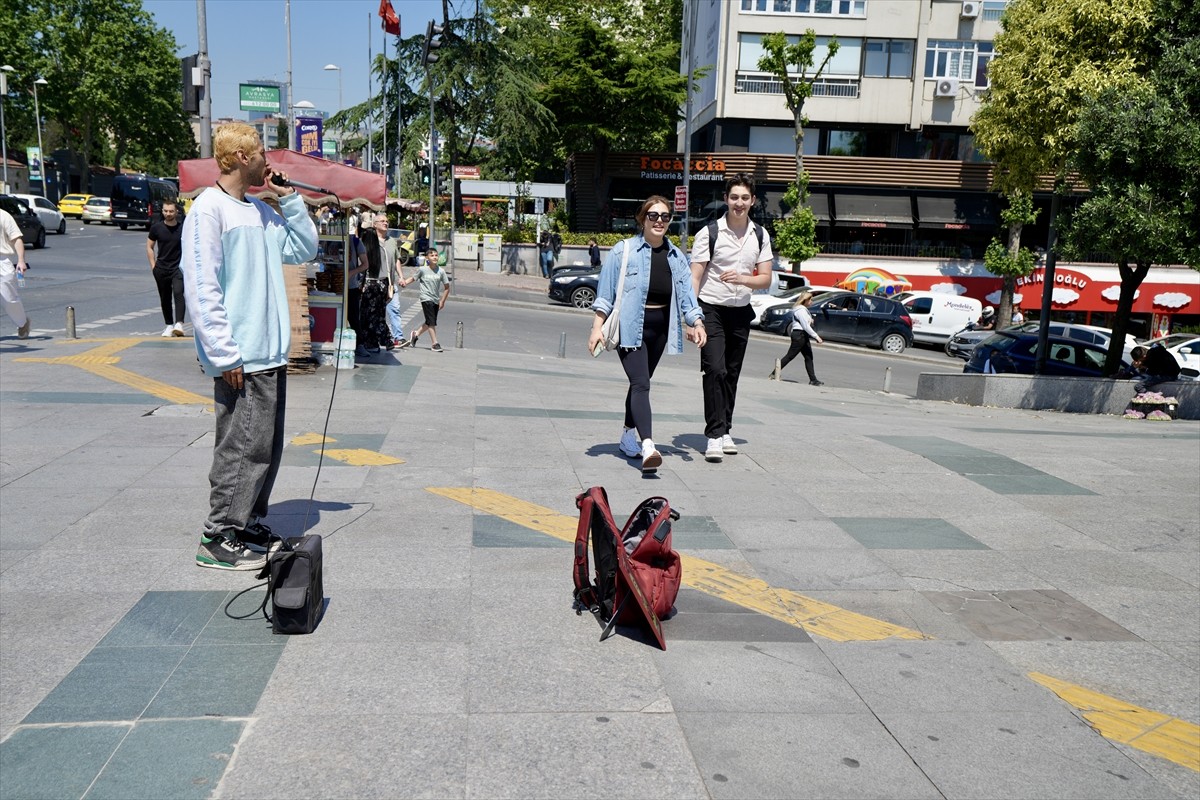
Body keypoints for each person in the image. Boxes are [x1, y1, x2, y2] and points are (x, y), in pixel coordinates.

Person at [181, 122, 318, 571]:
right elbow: (201, 287)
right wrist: (222, 353)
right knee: (240, 445)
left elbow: (303, 249)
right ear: (242, 157)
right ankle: (218, 533)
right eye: (261, 153)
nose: (267, 161)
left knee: (264, 446)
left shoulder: (260, 212)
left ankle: (249, 522)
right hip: (240, 354)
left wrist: (291, 199)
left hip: (269, 351)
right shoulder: (208, 210)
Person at [588, 196, 706, 473]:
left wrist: (697, 323)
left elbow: (688, 298)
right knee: (641, 384)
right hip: (630, 327)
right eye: (653, 216)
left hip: (661, 329)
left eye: (665, 217)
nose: (659, 221)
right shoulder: (623, 251)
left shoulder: (677, 257)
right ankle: (648, 445)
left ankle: (628, 435)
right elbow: (605, 296)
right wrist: (596, 328)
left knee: (639, 383)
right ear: (642, 219)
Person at [690, 172, 773, 463]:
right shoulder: (709, 233)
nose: (739, 203)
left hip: (740, 312)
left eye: (745, 198)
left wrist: (742, 279)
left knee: (732, 374)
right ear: (726, 199)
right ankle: (713, 435)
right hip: (711, 308)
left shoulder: (760, 235)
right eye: (734, 197)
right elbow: (695, 277)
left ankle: (726, 429)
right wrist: (692, 318)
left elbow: (765, 279)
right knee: (715, 370)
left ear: (752, 201)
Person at [146, 199, 186, 337]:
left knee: (179, 293)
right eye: (165, 211)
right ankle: (169, 325)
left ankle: (179, 324)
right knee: (165, 297)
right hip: (161, 268)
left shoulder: (182, 228)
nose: (168, 214)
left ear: (176, 212)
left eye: (171, 211)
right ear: (162, 211)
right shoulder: (156, 228)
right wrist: (153, 266)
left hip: (177, 268)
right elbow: (149, 246)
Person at [768, 291, 824, 385]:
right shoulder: (800, 310)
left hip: (802, 335)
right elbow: (805, 326)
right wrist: (816, 336)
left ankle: (813, 379)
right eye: (810, 299)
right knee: (790, 356)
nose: (811, 301)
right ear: (805, 300)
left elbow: (805, 323)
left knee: (808, 357)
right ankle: (774, 373)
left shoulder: (802, 310)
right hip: (800, 335)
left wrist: (810, 321)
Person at [357, 213, 393, 354]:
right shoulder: (382, 250)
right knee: (378, 314)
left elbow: (363, 268)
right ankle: (377, 342)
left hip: (369, 286)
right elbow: (389, 269)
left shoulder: (365, 250)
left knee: (367, 316)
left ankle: (383, 339)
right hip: (382, 285)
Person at [408, 248, 451, 352]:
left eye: (436, 255)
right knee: (432, 322)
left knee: (429, 321)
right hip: (425, 298)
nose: (435, 257)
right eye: (432, 255)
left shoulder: (441, 271)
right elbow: (413, 278)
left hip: (435, 299)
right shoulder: (423, 270)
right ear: (427, 258)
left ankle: (415, 335)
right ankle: (435, 343)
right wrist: (404, 282)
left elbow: (447, 287)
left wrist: (442, 301)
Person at [375, 214, 407, 349]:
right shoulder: (371, 241)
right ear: (375, 224)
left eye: (387, 221)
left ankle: (398, 337)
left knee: (394, 309)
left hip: (390, 283)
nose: (385, 223)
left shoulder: (392, 241)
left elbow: (397, 260)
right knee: (377, 312)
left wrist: (401, 276)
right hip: (376, 282)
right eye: (382, 221)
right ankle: (377, 338)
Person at [1, 207, 31, 339]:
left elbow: (16, 238)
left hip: (2, 261)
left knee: (9, 298)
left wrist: (21, 260)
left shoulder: (3, 215)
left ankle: (22, 322)